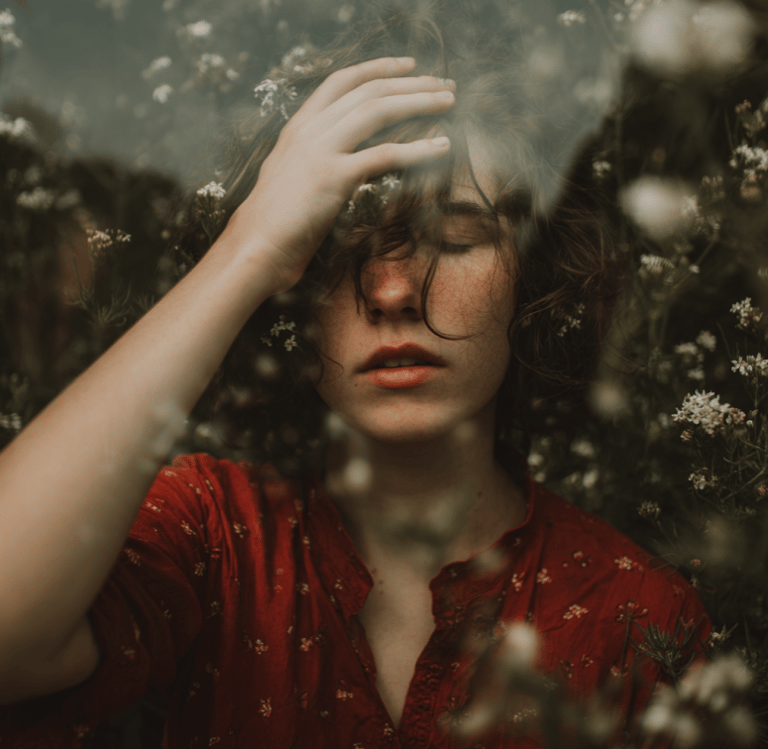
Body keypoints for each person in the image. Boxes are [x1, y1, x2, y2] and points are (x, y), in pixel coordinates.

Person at [0, 15, 709, 749]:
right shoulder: (215, 535)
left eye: (456, 237)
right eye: (334, 246)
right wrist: (250, 249)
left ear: (531, 278)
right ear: (289, 292)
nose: (393, 289)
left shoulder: (637, 616)